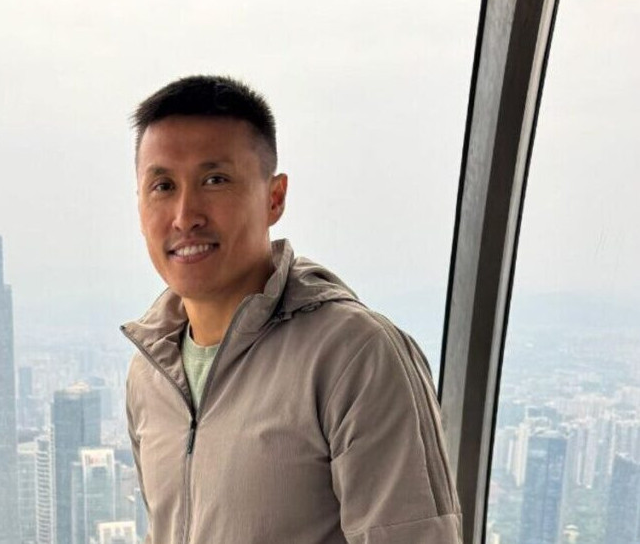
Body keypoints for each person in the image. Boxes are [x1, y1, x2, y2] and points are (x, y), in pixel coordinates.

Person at [120, 75, 463, 544]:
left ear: (274, 198)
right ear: (140, 208)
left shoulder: (354, 355)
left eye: (215, 180)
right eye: (162, 186)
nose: (185, 216)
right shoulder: (150, 372)